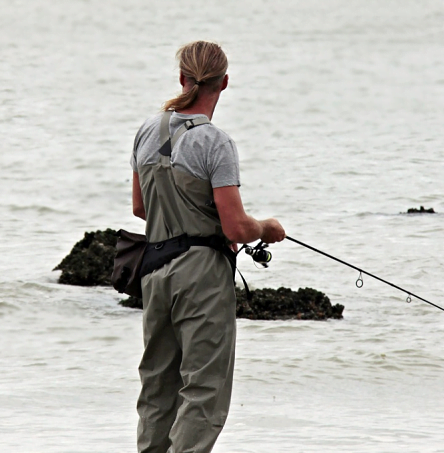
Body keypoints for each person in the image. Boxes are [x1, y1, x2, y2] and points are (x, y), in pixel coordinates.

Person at [130, 40, 286, 453]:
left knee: (157, 389)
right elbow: (236, 228)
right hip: (201, 275)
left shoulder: (147, 131)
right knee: (204, 389)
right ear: (225, 82)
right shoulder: (216, 143)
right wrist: (266, 227)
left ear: (182, 78)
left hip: (154, 269)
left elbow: (140, 207)